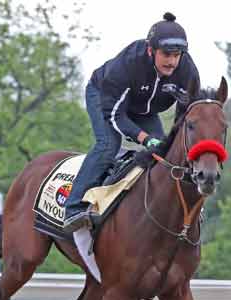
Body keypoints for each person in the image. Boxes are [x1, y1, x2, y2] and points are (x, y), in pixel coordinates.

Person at [63, 12, 201, 232]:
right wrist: (145, 139)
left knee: (164, 154)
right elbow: (115, 115)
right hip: (106, 98)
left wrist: (170, 143)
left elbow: (184, 116)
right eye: (166, 54)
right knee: (108, 145)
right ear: (150, 50)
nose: (172, 61)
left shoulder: (187, 71)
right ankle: (72, 208)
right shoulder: (128, 64)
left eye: (178, 55)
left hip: (143, 108)